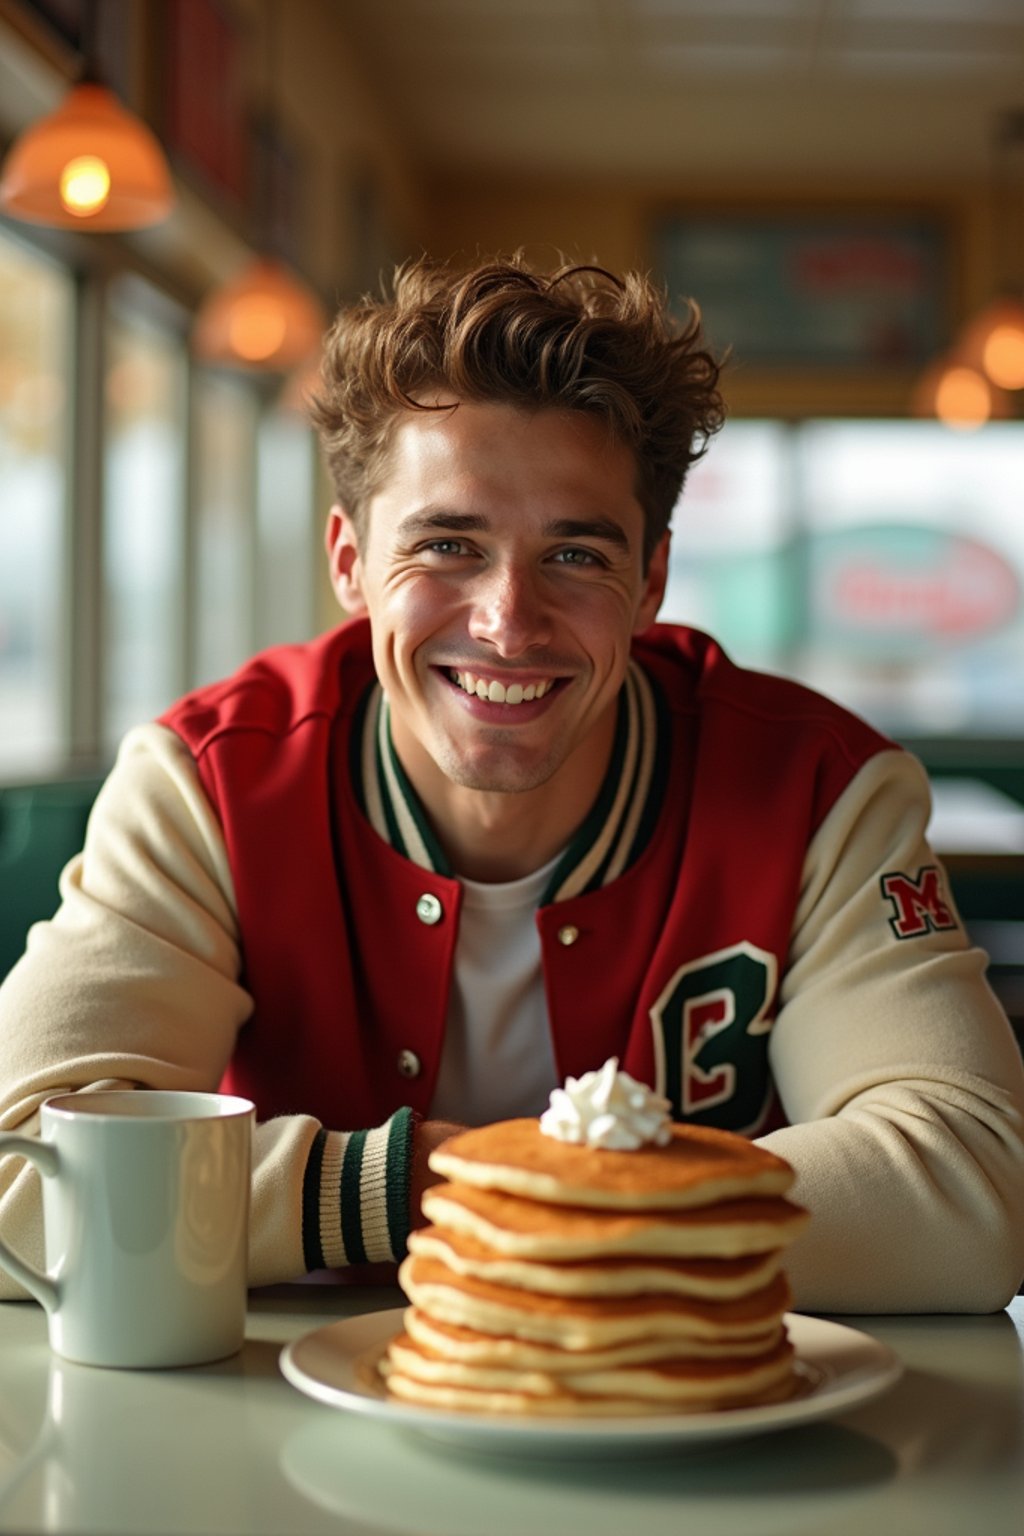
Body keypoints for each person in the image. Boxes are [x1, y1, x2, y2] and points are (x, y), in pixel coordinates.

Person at [2, 255, 1023, 1312]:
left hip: (692, 1429)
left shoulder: (818, 790)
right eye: (448, 544)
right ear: (349, 563)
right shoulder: (210, 781)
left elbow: (976, 1195)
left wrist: (538, 1201)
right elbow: (17, 1177)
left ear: (652, 582)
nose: (506, 621)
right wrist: (415, 1187)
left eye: (575, 557)